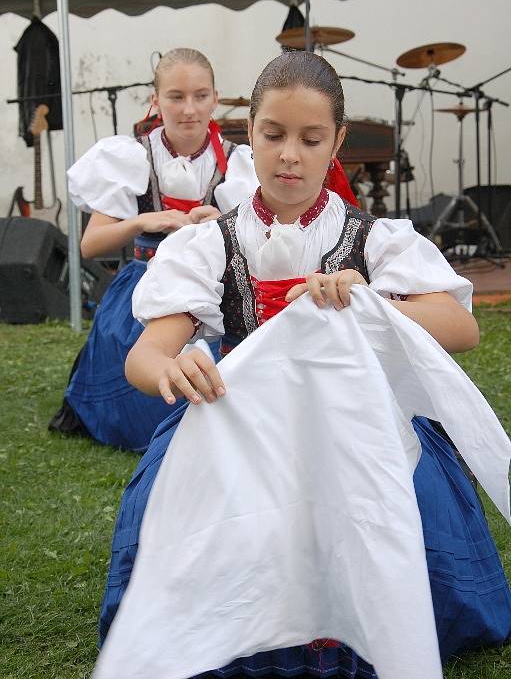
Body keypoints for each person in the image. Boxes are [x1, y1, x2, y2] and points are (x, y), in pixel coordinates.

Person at [95, 51, 511, 676]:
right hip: (243, 418)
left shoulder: (375, 239)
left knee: (386, 489)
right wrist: (168, 369)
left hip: (357, 419)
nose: (290, 154)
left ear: (337, 142)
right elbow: (145, 354)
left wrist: (371, 304)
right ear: (249, 135)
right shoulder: (210, 244)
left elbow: (462, 327)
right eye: (274, 135)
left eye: (311, 139)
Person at [48, 47, 261, 451]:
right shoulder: (132, 155)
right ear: (155, 100)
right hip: (142, 287)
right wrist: (145, 222)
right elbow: (91, 245)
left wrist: (221, 222)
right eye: (176, 97)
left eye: (200, 96)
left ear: (216, 98)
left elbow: (259, 241)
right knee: (138, 384)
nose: (189, 109)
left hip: (209, 288)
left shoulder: (239, 164)